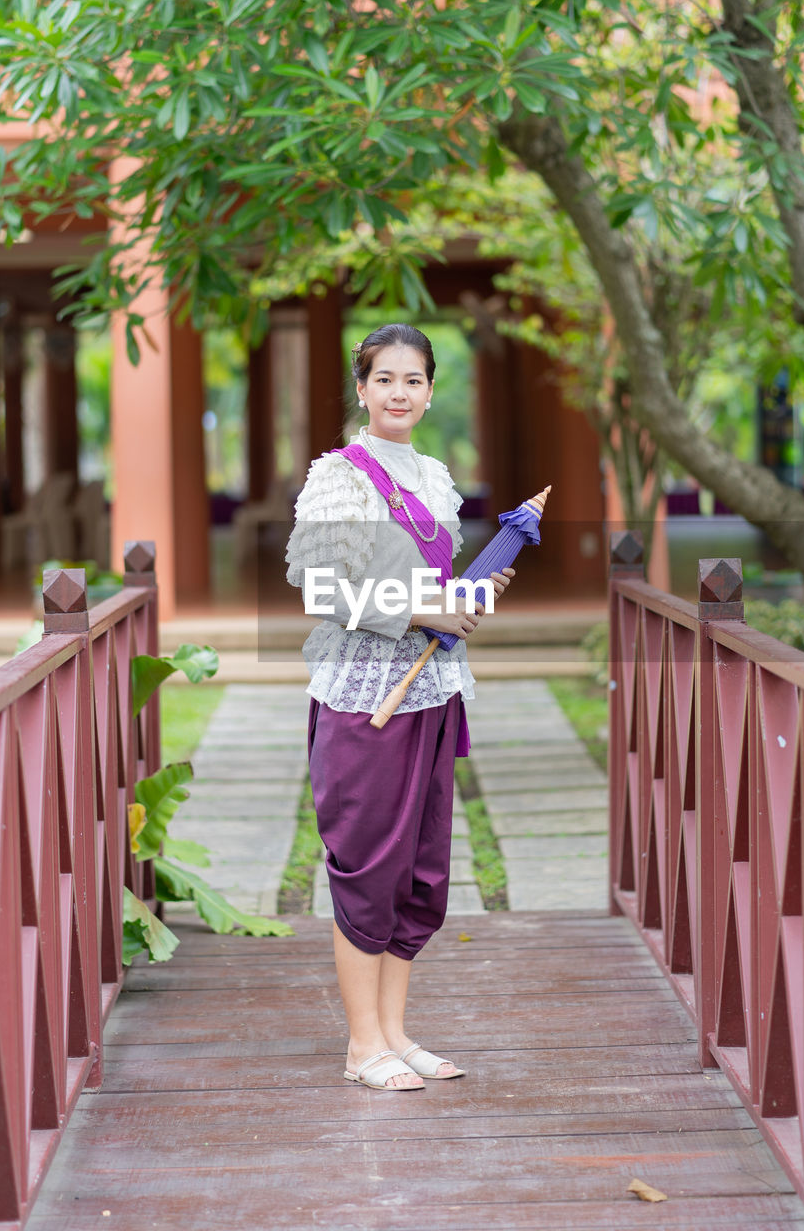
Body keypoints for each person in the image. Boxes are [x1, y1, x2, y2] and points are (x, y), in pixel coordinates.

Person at [285, 322, 515, 1091]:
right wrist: (423, 614)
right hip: (362, 697)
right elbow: (318, 590)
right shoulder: (337, 479)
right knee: (367, 864)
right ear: (361, 389)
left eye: (412, 380)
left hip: (428, 692)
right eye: (384, 379)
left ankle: (393, 1033)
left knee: (418, 870)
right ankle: (360, 1047)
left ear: (428, 389)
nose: (398, 393)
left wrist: (466, 598)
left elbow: (434, 590)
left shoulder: (434, 477)